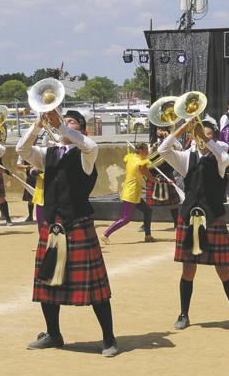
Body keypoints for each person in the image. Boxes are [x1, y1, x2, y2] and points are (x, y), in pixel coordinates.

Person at [16, 109, 118, 357]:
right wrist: (38, 126)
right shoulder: (48, 153)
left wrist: (60, 125)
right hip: (53, 225)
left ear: (81, 129)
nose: (65, 123)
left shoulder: (86, 153)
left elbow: (89, 145)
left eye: (72, 121)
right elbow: (21, 150)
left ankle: (109, 339)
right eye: (65, 120)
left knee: (95, 289)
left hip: (77, 223)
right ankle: (53, 334)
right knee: (47, 282)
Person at [157, 117, 229, 333]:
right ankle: (183, 314)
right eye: (198, 133)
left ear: (214, 137)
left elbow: (225, 156)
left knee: (223, 270)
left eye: (207, 133)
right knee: (188, 270)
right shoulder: (186, 157)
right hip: (189, 216)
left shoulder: (220, 157)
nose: (201, 136)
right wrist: (182, 129)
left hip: (213, 216)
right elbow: (162, 150)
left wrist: (206, 139)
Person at [101, 143, 155, 244]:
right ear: (141, 151)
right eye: (146, 150)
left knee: (148, 211)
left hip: (132, 191)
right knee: (126, 219)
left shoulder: (131, 158)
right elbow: (149, 176)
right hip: (132, 192)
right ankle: (106, 234)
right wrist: (157, 180)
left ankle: (148, 235)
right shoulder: (140, 162)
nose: (148, 152)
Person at [145, 127, 181, 228]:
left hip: (167, 173)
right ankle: (146, 224)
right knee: (149, 203)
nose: (159, 131)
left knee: (173, 203)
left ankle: (176, 223)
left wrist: (169, 139)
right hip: (153, 174)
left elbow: (179, 148)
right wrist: (152, 149)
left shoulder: (171, 140)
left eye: (161, 129)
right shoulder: (152, 142)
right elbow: (145, 157)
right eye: (158, 129)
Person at [16, 156, 38, 222]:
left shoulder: (39, 150)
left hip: (40, 177)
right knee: (30, 198)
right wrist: (28, 166)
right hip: (30, 178)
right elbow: (18, 165)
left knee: (43, 198)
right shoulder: (23, 153)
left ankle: (42, 215)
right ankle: (30, 216)